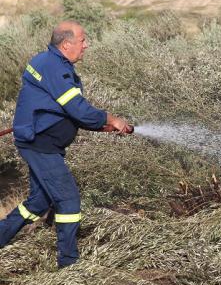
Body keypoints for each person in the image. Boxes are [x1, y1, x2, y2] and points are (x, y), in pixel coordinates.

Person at [0, 21, 131, 268]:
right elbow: (76, 109)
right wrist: (110, 119)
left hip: (38, 140)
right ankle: (69, 265)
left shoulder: (47, 61)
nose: (86, 45)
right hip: (41, 144)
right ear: (66, 44)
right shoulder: (53, 67)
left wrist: (101, 124)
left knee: (38, 202)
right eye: (83, 41)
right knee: (68, 201)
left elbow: (69, 112)